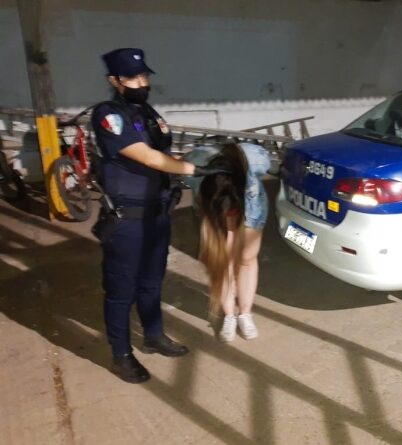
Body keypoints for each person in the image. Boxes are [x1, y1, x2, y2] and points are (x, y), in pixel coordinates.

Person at [91, 48, 225, 383]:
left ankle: (153, 335)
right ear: (114, 80)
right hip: (128, 220)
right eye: (132, 77)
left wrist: (200, 158)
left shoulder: (147, 111)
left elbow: (165, 152)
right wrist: (195, 170)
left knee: (152, 282)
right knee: (121, 291)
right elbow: (148, 157)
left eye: (144, 76)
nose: (141, 82)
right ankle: (121, 355)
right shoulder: (108, 114)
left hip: (158, 213)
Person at [184, 142, 271, 342]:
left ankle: (245, 314)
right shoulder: (193, 170)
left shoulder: (257, 160)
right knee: (223, 261)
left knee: (247, 258)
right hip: (213, 209)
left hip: (249, 205)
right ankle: (229, 314)